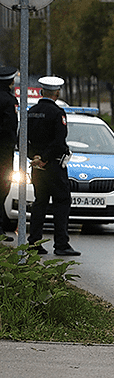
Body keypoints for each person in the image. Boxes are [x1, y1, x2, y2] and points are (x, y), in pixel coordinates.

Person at [27, 76, 79, 256]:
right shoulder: (58, 113)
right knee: (62, 203)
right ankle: (61, 244)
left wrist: (34, 157)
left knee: (39, 203)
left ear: (42, 92)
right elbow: (59, 141)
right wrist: (45, 158)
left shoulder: (31, 111)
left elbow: (23, 137)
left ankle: (34, 243)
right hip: (54, 167)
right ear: (57, 93)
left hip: (37, 167)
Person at [0, 66, 18, 242]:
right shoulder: (8, 101)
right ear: (11, 82)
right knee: (3, 187)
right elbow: (10, 127)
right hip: (3, 151)